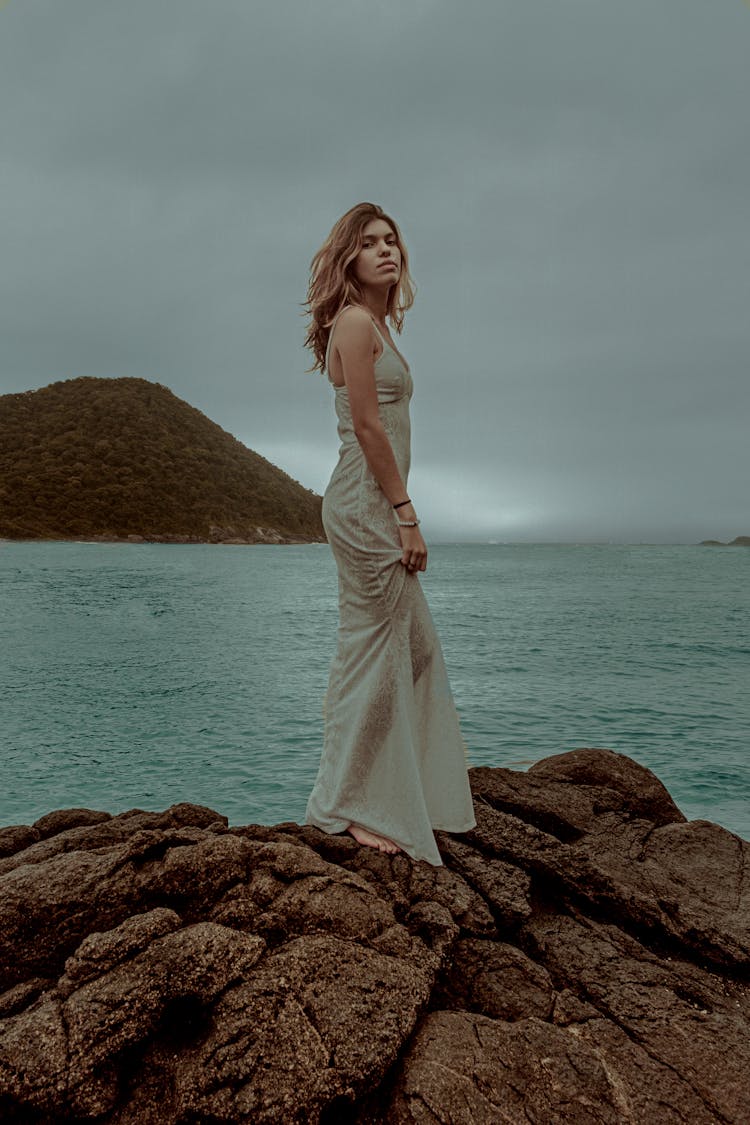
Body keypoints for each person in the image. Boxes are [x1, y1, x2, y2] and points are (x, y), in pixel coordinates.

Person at [302, 202, 475, 866]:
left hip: (377, 503)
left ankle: (398, 792)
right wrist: (407, 513)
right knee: (368, 658)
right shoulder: (352, 321)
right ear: (349, 258)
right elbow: (371, 428)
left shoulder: (375, 324)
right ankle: (343, 807)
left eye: (391, 240)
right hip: (367, 507)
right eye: (369, 243)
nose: (385, 250)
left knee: (414, 650)